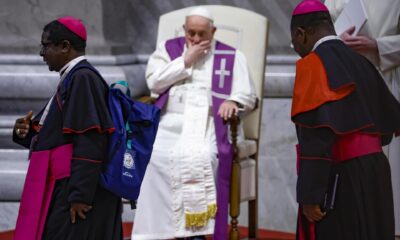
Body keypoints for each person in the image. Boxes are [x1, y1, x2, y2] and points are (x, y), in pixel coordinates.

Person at [132, 7, 256, 240]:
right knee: (154, 157)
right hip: (172, 122)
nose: (197, 39)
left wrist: (232, 100)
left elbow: (247, 94)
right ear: (184, 30)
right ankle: (158, 231)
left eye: (202, 34)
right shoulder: (169, 50)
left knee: (206, 156)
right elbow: (154, 84)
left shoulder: (231, 56)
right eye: (192, 34)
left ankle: (195, 232)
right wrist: (184, 61)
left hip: (211, 122)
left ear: (214, 31)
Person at [290, 1, 400, 239]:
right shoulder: (363, 62)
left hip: (342, 178)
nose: (297, 49)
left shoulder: (311, 65)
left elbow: (316, 138)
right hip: (377, 173)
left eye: (295, 43)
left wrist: (310, 195)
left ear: (301, 34)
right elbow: (389, 124)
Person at [13, 16, 122, 240]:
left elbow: (90, 138)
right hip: (68, 185)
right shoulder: (74, 76)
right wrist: (28, 133)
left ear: (65, 47)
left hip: (77, 191)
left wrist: (80, 195)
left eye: (45, 45)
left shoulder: (83, 78)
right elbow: (63, 135)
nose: (41, 53)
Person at [324, 0, 400, 234]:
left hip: (387, 80)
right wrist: (336, 41)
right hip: (344, 84)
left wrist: (377, 45)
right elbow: (318, 30)